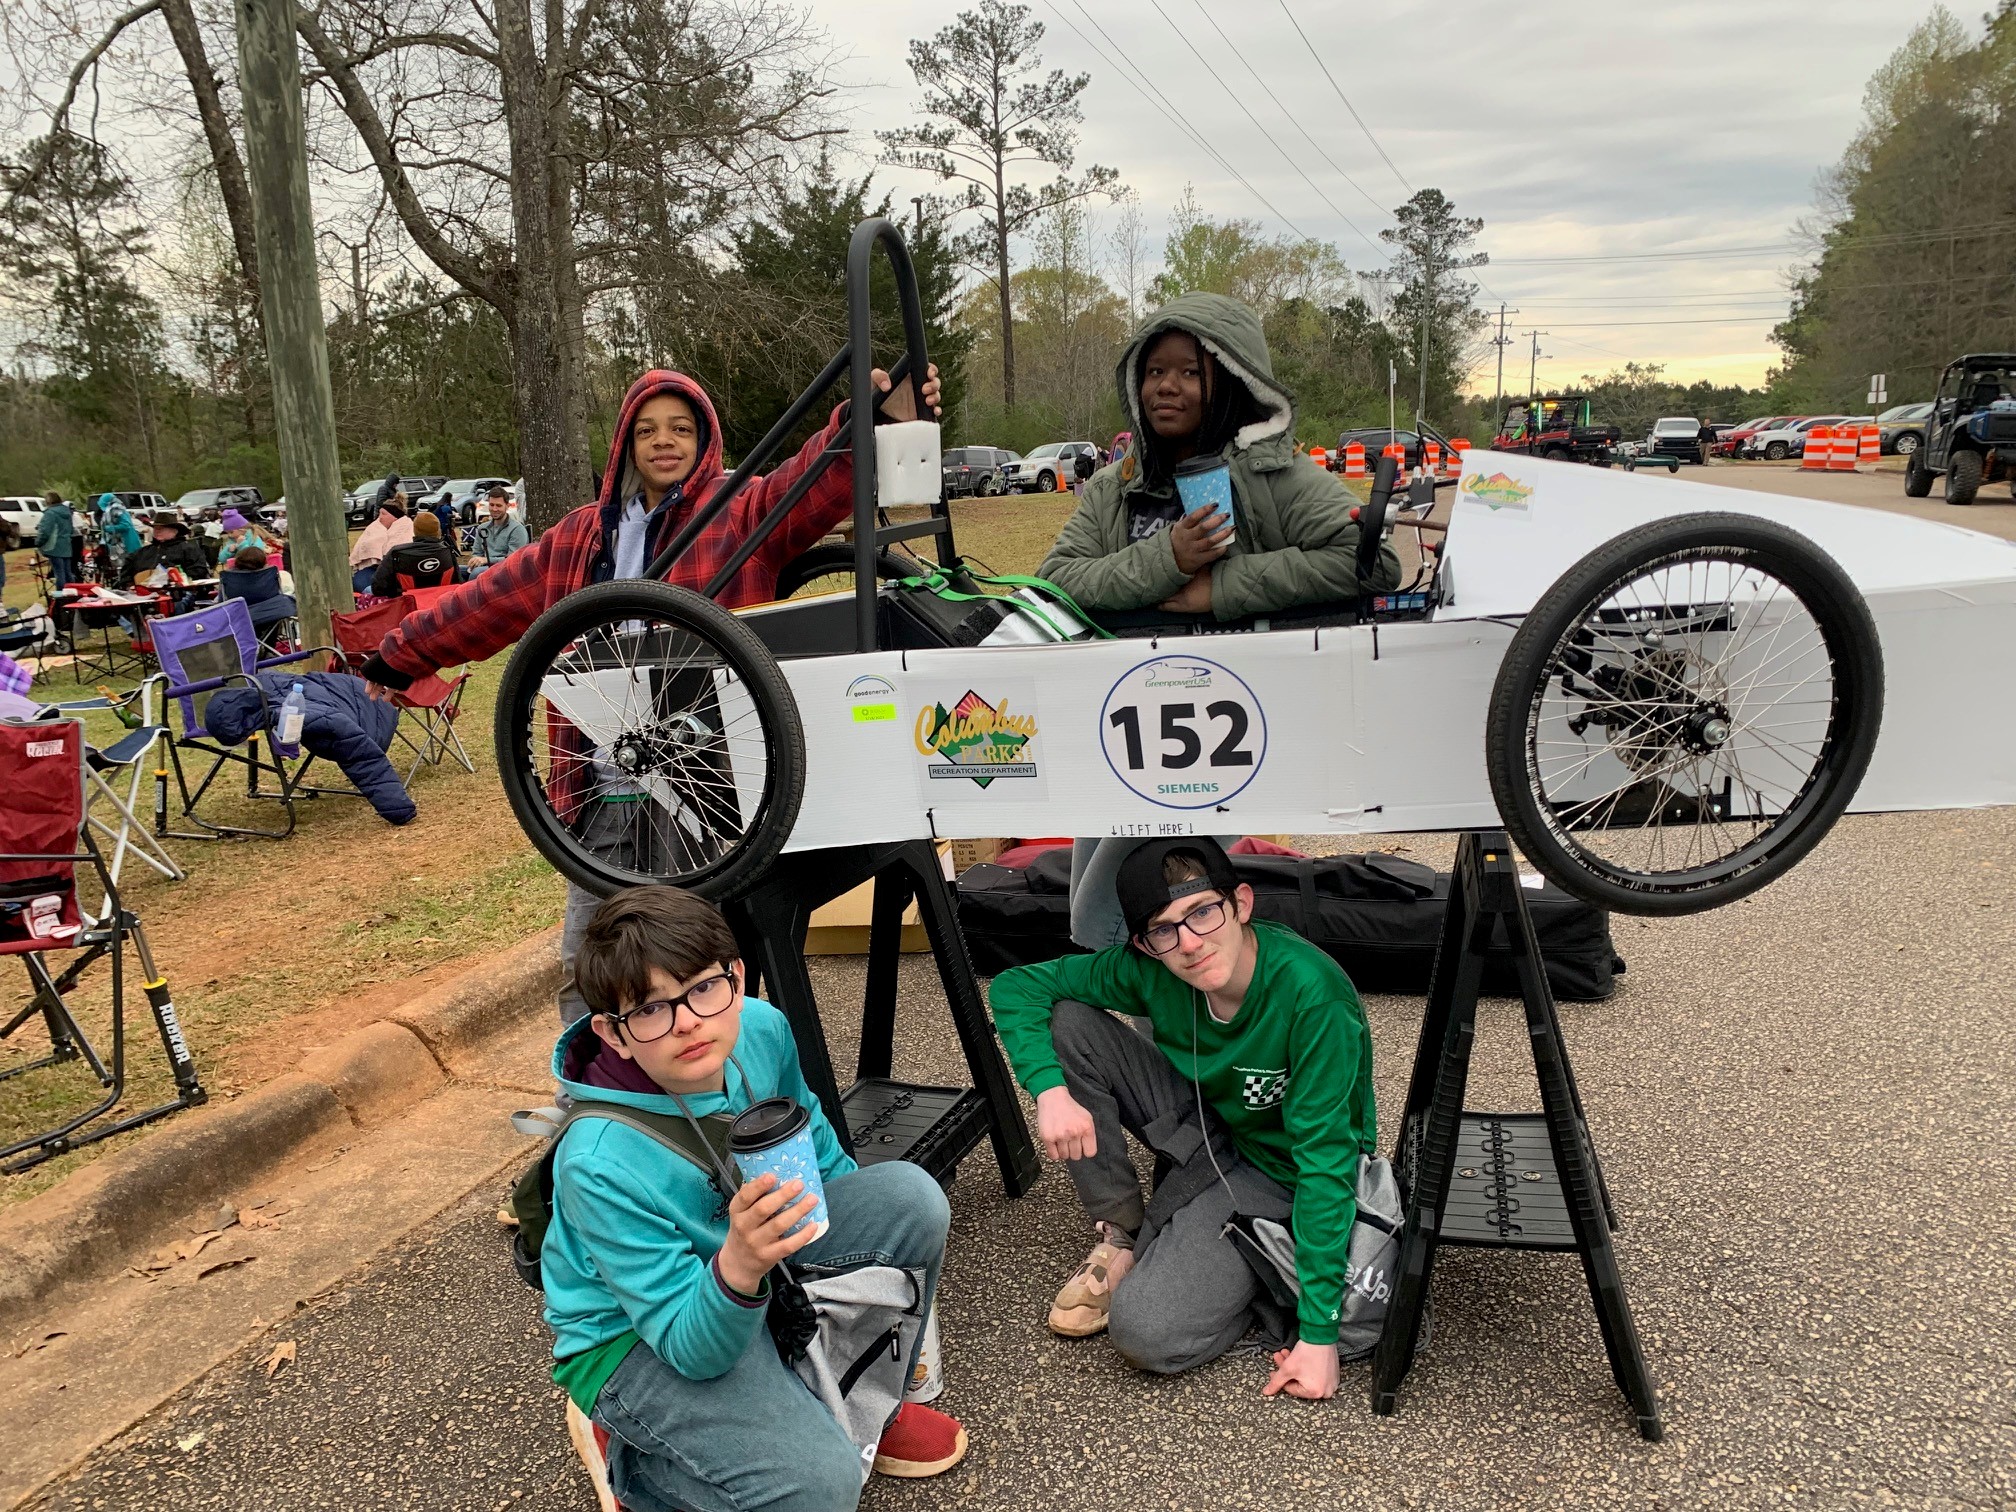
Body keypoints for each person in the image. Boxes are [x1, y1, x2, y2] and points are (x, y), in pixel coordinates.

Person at [358, 359, 939, 1026]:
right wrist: (396, 660)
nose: (664, 441)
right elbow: (484, 603)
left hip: (704, 790)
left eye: (681, 428)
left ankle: (710, 1077)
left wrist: (872, 421)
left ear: (704, 439)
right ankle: (595, 1085)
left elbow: (810, 485)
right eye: (647, 430)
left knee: (698, 964)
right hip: (601, 788)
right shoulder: (580, 537)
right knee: (592, 966)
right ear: (626, 445)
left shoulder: (737, 512)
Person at [544, 885, 966, 1512]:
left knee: (910, 1199)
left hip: (750, 1266)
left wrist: (838, 1242)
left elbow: (812, 1143)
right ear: (613, 1033)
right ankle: (638, 1462)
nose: (688, 1021)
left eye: (702, 988)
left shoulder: (761, 1029)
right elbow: (690, 1349)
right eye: (651, 1009)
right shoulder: (598, 1161)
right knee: (819, 1490)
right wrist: (740, 1264)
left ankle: (861, 1404)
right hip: (639, 1334)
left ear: (737, 979)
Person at [988, 838, 1376, 1401]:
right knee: (1068, 1021)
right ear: (1143, 944)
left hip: (1283, 1172)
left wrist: (1320, 1335)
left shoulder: (1312, 994)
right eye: (1163, 930)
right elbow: (1016, 987)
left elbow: (1325, 1160)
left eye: (1203, 912)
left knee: (1146, 1334)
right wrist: (1049, 1091)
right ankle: (1123, 1231)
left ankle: (1253, 1278)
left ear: (1241, 903)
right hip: (1213, 1123)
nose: (1190, 943)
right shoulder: (1153, 967)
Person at [1038, 294, 1399, 621]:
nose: (1166, 386)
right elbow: (1053, 580)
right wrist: (1168, 558)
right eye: (1155, 371)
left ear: (1232, 381)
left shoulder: (1274, 474)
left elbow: (1374, 563)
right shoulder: (1113, 487)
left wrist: (1224, 587)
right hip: (1135, 672)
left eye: (1191, 372)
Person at [119, 512, 214, 591]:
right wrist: (129, 585)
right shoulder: (141, 553)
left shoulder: (188, 549)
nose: (157, 531)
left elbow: (199, 572)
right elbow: (125, 574)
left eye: (162, 528)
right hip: (141, 595)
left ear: (175, 531)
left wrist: (174, 580)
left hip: (178, 593)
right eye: (155, 528)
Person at [370, 512, 455, 597]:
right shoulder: (448, 552)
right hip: (440, 600)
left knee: (367, 588)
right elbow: (457, 584)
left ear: (415, 530)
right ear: (438, 531)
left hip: (406, 601)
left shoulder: (396, 552)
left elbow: (377, 587)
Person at [349, 495, 413, 594]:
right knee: (358, 583)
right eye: (379, 513)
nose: (380, 517)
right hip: (371, 568)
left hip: (396, 573)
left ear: (395, 517)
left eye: (383, 514)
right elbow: (362, 547)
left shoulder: (406, 530)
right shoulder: (373, 528)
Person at [465, 485, 528, 576]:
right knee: (455, 570)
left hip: (505, 571)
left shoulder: (517, 529)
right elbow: (477, 553)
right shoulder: (482, 528)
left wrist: (486, 560)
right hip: (483, 567)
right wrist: (476, 561)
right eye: (492, 505)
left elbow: (512, 559)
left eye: (498, 505)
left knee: (476, 573)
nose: (494, 509)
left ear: (507, 506)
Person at [34, 492, 76, 592]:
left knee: (59, 573)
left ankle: (61, 595)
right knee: (68, 572)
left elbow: (45, 531)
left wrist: (38, 542)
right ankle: (73, 592)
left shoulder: (50, 513)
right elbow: (71, 530)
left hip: (53, 546)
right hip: (66, 545)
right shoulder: (67, 512)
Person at [101, 493, 143, 576]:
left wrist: (110, 528)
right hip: (118, 544)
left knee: (129, 567)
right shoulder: (110, 511)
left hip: (126, 542)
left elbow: (126, 525)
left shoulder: (119, 510)